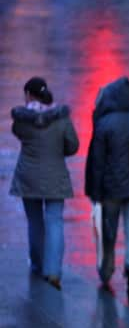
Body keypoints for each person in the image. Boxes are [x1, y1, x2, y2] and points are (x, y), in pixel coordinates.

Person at [10, 77, 79, 290]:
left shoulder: (22, 120)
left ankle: (38, 265)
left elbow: (18, 133)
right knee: (55, 221)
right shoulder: (61, 118)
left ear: (29, 95)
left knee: (35, 222)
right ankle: (53, 272)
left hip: (28, 176)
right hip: (55, 176)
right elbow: (73, 146)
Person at [85, 77, 129, 297]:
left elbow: (97, 161)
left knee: (109, 230)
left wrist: (94, 192)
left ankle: (107, 269)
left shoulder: (104, 123)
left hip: (111, 188)